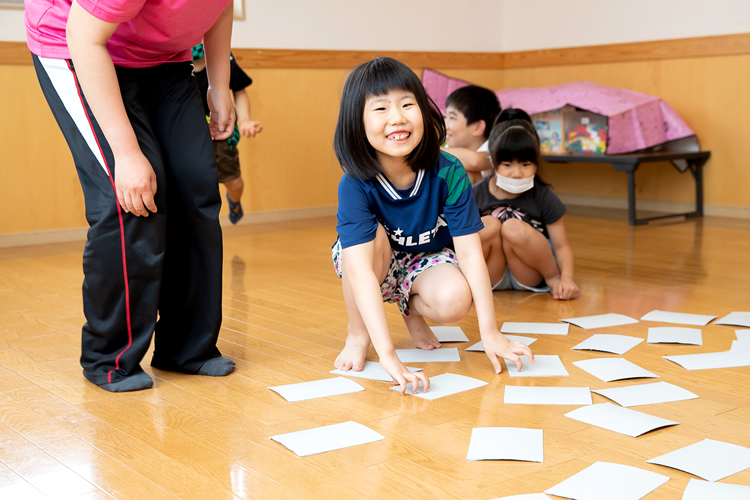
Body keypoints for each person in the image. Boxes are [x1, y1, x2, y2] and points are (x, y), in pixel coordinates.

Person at [25, 0, 237, 392]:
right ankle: (109, 358)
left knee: (197, 190)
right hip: (78, 47)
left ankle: (187, 349)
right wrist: (125, 153)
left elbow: (218, 6)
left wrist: (219, 84)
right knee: (132, 201)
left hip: (163, 58)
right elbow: (85, 38)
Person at [331, 58, 534, 394]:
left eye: (407, 104)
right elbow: (361, 272)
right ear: (358, 123)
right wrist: (388, 355)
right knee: (368, 248)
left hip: (421, 258)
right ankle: (357, 332)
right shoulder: (354, 183)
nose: (397, 117)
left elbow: (470, 255)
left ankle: (410, 308)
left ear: (424, 111)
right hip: (373, 257)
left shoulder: (448, 170)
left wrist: (491, 333)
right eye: (380, 108)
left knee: (456, 299)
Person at [473, 109, 580, 300]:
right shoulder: (477, 193)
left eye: (525, 165)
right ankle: (469, 283)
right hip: (490, 274)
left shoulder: (544, 195)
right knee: (488, 225)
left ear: (536, 164)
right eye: (507, 165)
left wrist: (566, 278)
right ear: (493, 162)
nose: (517, 173)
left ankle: (552, 278)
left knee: (513, 227)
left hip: (528, 272)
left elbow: (562, 245)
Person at [192, 44, 263, 224]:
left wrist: (245, 119)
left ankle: (235, 201)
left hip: (221, 135)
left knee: (234, 183)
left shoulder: (223, 58)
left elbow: (239, 91)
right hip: (188, 137)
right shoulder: (171, 59)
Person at [441, 85, 500, 184]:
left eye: (452, 118)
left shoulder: (494, 148)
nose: (444, 125)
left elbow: (476, 161)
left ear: (477, 127)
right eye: (445, 116)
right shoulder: (448, 148)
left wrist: (426, 149)